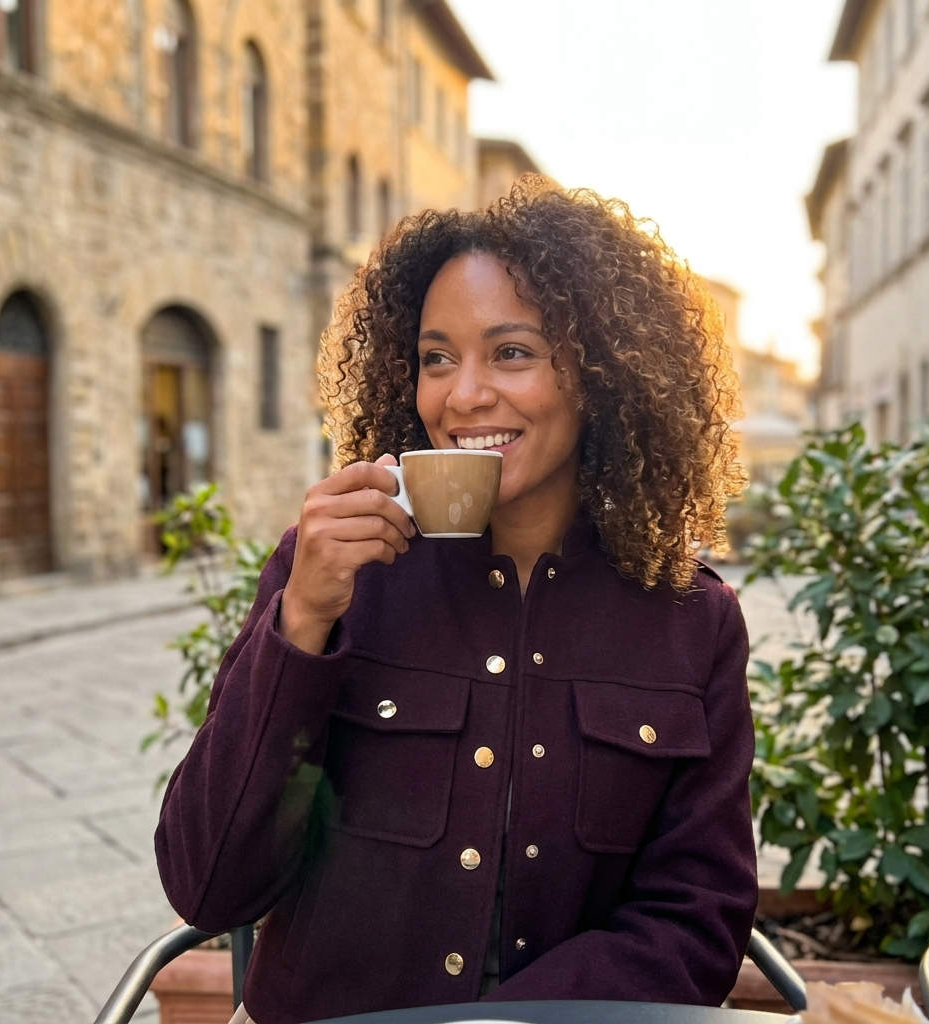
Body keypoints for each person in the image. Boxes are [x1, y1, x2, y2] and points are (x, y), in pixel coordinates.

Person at [156, 177, 757, 1024]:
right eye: (437, 358)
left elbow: (697, 923)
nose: (462, 395)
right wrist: (301, 624)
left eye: (511, 352)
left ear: (600, 373)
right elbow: (209, 886)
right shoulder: (334, 577)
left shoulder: (690, 620)